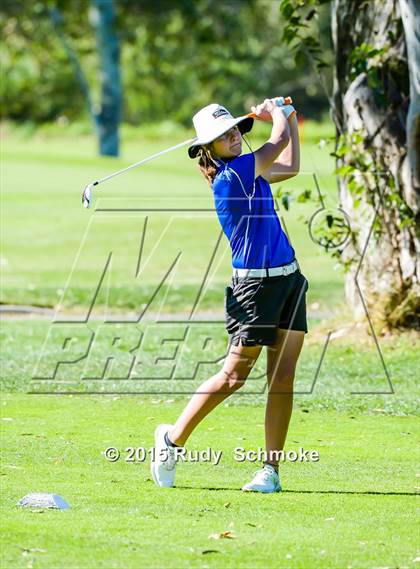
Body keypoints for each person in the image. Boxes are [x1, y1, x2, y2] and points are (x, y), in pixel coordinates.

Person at [151, 97, 308, 493]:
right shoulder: (231, 176)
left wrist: (287, 117)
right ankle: (171, 442)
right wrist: (277, 115)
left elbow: (289, 165)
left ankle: (270, 471)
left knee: (283, 378)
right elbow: (274, 145)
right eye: (223, 135)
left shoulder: (248, 172)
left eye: (235, 128)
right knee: (234, 376)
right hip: (254, 289)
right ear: (208, 149)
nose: (233, 135)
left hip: (289, 279)